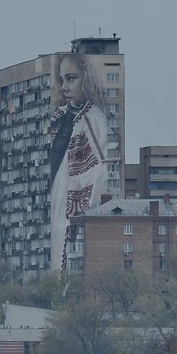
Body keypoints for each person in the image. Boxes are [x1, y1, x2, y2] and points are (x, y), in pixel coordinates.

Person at [48, 53, 115, 269]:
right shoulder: (61, 116)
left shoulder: (94, 120)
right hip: (56, 210)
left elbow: (99, 175)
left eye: (71, 78)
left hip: (76, 213)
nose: (64, 87)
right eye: (62, 80)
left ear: (86, 79)